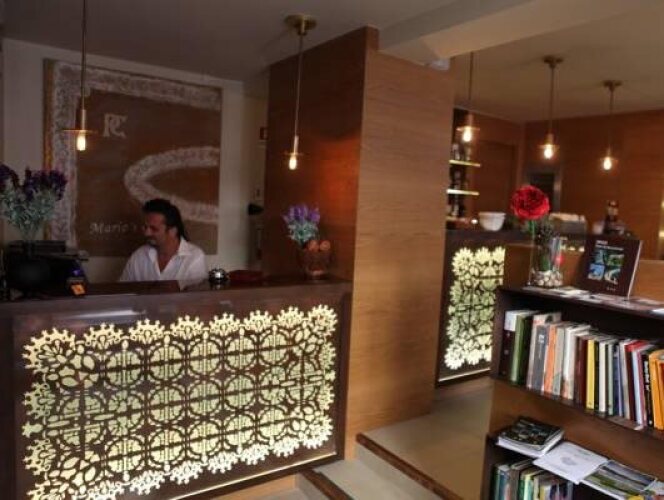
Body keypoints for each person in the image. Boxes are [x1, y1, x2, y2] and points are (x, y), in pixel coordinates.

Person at [120, 199, 208, 283]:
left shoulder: (194, 257)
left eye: (154, 229)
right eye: (145, 227)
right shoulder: (139, 256)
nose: (146, 233)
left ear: (172, 231)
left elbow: (198, 293)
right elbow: (122, 290)